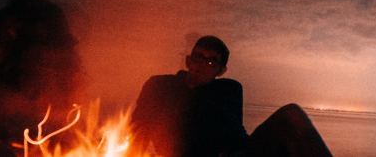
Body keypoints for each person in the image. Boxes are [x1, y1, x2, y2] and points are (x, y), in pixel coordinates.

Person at [131, 35, 332, 157]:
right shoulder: (160, 85)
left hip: (238, 154)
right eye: (198, 57)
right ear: (188, 60)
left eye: (211, 62)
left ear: (221, 70)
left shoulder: (229, 89)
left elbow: (227, 130)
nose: (202, 64)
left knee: (291, 114)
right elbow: (138, 126)